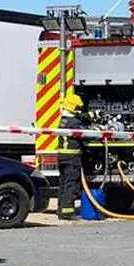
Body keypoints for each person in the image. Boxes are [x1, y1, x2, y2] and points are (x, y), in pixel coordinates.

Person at [56, 92, 88, 220]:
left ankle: (61, 209)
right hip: (72, 159)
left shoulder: (63, 120)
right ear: (73, 107)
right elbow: (84, 134)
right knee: (71, 184)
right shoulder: (74, 122)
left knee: (63, 184)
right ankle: (68, 211)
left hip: (62, 157)